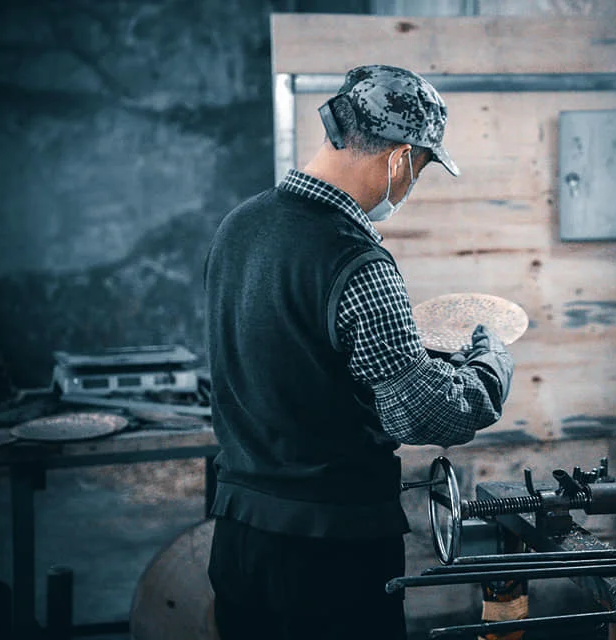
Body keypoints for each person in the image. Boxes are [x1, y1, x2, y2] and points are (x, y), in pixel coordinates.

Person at [203, 64, 515, 639]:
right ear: (400, 159)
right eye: (421, 168)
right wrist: (489, 367)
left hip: (239, 539)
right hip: (329, 558)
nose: (413, 183)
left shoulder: (239, 227)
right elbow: (424, 416)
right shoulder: (357, 261)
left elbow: (297, 353)